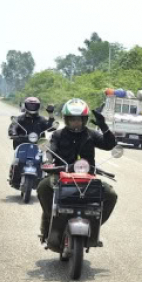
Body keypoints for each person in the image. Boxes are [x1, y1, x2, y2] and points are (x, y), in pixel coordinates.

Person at [37, 98, 117, 241]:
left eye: (80, 119)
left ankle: (94, 224)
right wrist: (48, 161)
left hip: (87, 178)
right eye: (72, 119)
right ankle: (49, 221)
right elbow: (51, 150)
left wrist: (104, 127)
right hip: (62, 175)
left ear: (85, 120)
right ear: (66, 120)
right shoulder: (58, 135)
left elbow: (109, 145)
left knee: (111, 194)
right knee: (43, 186)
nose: (76, 122)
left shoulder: (91, 134)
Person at [8, 97, 55, 187]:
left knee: (42, 163)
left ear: (38, 106)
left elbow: (51, 127)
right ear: (25, 106)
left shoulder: (41, 120)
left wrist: (51, 114)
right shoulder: (20, 119)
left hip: (38, 146)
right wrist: (13, 133)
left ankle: (42, 180)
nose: (32, 107)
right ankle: (13, 176)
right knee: (18, 161)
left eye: (34, 105)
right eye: (30, 105)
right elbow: (13, 126)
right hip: (22, 144)